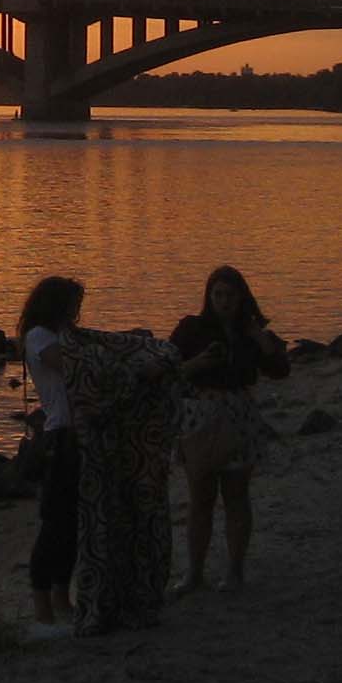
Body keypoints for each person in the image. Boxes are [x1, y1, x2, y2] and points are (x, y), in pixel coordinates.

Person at [56, 320, 184, 635]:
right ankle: (62, 604)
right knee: (71, 528)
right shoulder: (50, 341)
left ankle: (91, 602)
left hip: (94, 446)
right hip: (76, 443)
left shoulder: (71, 341)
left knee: (115, 521)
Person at [169, 264, 288, 593]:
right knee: (200, 499)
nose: (224, 302)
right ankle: (195, 573)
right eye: (218, 295)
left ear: (241, 298)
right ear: (208, 296)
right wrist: (197, 364)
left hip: (238, 415)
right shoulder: (192, 329)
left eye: (230, 296)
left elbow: (280, 370)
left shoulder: (252, 334)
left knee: (237, 496)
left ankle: (235, 571)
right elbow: (168, 367)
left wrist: (261, 340)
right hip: (200, 416)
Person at [17, 274, 85, 631]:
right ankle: (42, 600)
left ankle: (62, 594)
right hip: (59, 437)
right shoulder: (40, 337)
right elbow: (70, 364)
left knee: (72, 523)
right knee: (55, 522)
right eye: (73, 304)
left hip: (79, 434)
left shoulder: (65, 335)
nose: (77, 311)